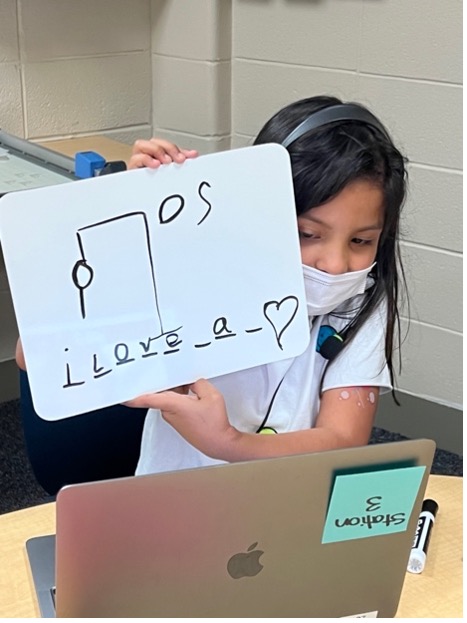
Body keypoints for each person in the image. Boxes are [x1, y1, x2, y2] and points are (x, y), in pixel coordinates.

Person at [125, 95, 408, 476]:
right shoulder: (200, 271)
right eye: (307, 233)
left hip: (289, 498)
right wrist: (133, 218)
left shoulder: (359, 300)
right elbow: (58, 361)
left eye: (361, 241)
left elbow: (343, 438)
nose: (335, 265)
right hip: (176, 495)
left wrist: (229, 443)